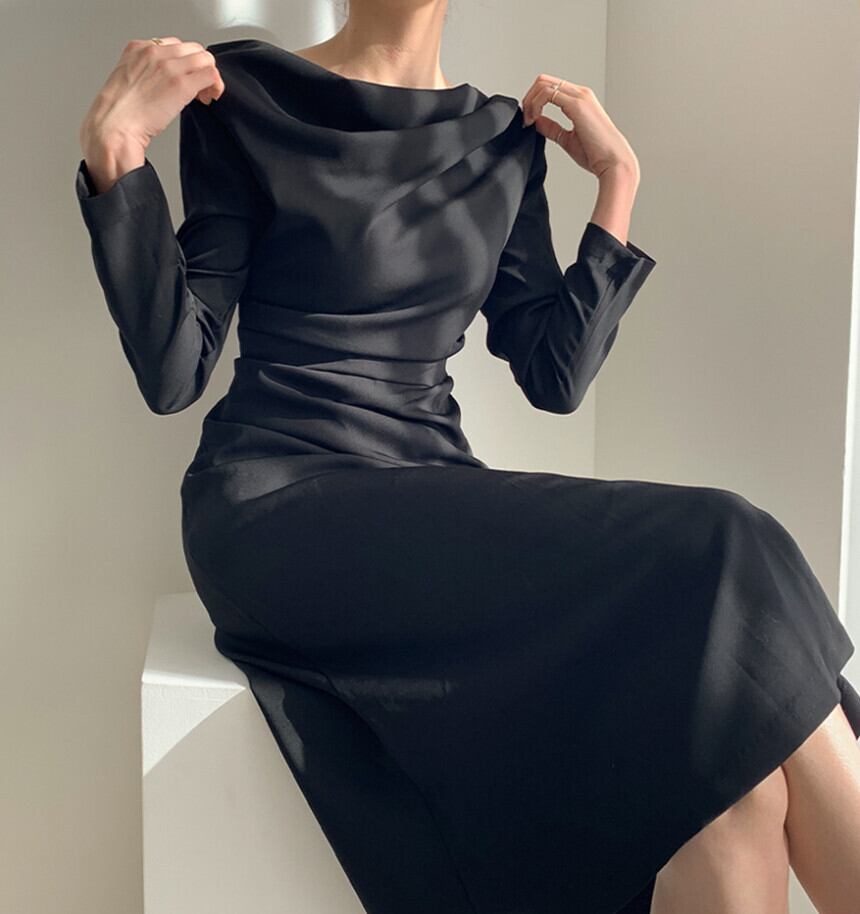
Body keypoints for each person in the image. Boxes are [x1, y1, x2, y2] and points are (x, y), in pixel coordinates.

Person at [75, 5, 860, 913]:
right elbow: (176, 370)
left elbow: (553, 374)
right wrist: (116, 152)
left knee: (735, 786)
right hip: (277, 501)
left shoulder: (501, 141)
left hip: (427, 491)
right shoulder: (245, 94)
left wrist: (618, 185)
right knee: (726, 538)